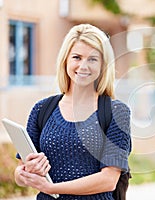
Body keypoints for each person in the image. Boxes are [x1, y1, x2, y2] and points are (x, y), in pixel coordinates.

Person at [14, 24, 132, 199]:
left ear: (103, 65)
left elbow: (108, 180)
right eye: (77, 57)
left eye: (92, 59)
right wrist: (24, 174)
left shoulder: (117, 113)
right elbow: (20, 172)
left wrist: (53, 188)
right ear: (66, 60)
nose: (83, 66)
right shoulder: (42, 109)